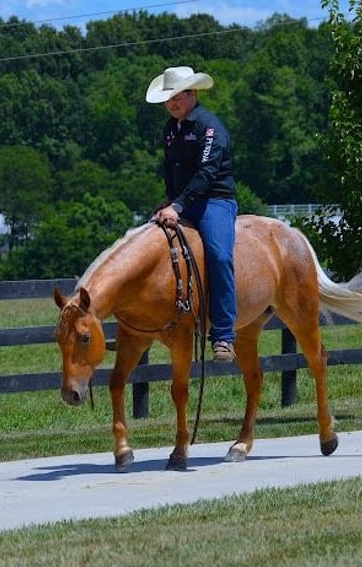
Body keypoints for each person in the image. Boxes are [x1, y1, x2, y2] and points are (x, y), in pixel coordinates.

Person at [146, 66, 238, 363]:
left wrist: (178, 206)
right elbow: (170, 170)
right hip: (181, 202)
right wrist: (168, 202)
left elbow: (207, 172)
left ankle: (223, 335)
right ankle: (145, 324)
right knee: (144, 247)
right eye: (167, 99)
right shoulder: (170, 130)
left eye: (176, 97)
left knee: (219, 255)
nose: (171, 104)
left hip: (215, 201)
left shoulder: (209, 127)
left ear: (192, 94)